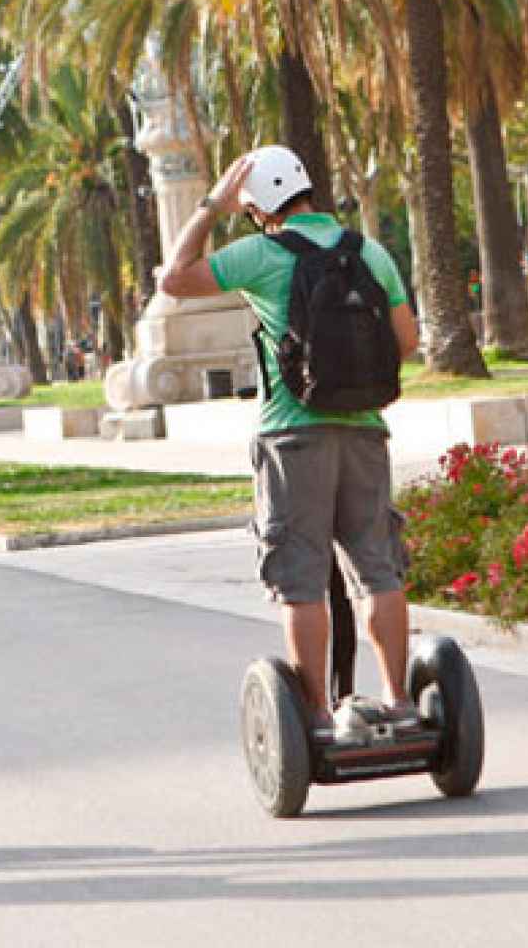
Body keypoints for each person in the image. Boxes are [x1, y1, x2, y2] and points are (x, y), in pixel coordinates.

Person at [158, 145, 420, 735]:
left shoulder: (262, 252)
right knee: (378, 570)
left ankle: (319, 717)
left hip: (290, 433)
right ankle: (401, 702)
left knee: (300, 577)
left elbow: (174, 278)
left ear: (258, 207)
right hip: (365, 431)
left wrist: (208, 207)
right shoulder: (369, 251)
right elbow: (404, 341)